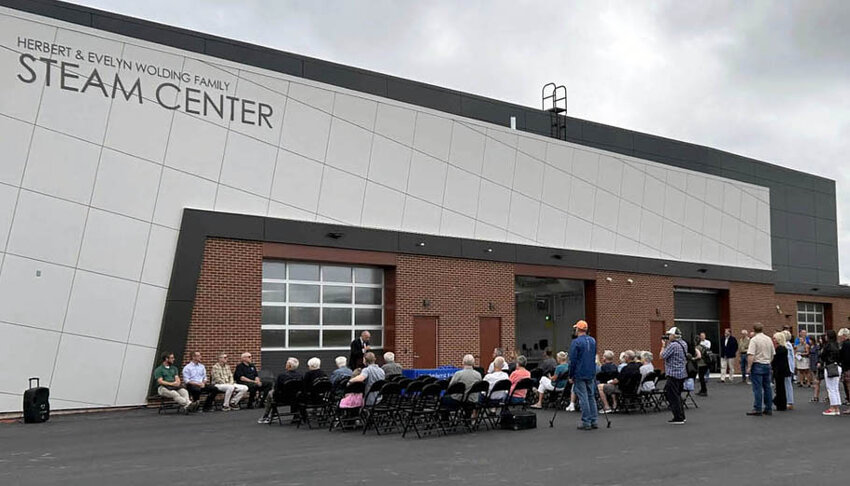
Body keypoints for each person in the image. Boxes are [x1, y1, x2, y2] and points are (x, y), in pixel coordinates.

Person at [569, 320, 599, 430]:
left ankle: (586, 421)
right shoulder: (592, 341)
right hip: (591, 372)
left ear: (578, 329)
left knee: (583, 397)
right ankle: (594, 420)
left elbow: (573, 360)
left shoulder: (576, 342)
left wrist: (571, 375)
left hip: (580, 372)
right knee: (591, 396)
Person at [258, 357, 302, 424]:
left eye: (286, 363)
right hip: (296, 398)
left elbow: (277, 388)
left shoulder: (282, 376)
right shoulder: (300, 376)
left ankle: (266, 415)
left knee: (270, 394)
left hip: (282, 398)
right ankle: (274, 414)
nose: (285, 364)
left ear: (289, 366)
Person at [746, 322, 775, 416]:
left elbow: (751, 354)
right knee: (767, 387)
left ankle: (757, 408)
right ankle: (768, 408)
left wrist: (749, 367)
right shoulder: (768, 339)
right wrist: (769, 361)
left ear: (754, 329)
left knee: (757, 388)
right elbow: (772, 353)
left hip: (757, 364)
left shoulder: (754, 340)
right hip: (767, 364)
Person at [660, 327, 687, 424]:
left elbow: (662, 356)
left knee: (672, 396)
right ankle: (681, 415)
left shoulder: (673, 345)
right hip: (682, 373)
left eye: (669, 335)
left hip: (673, 374)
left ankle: (678, 417)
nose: (668, 336)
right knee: (678, 395)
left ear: (674, 335)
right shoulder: (683, 343)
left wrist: (663, 346)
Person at [820, 329, 842, 416]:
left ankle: (833, 407)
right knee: (835, 388)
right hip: (838, 366)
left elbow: (822, 355)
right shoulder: (838, 345)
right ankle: (836, 407)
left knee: (831, 388)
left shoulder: (828, 345)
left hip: (830, 366)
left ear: (828, 336)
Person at [771, 332, 791, 411]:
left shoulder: (780, 349)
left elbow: (775, 360)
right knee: (780, 387)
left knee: (780, 388)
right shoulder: (782, 348)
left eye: (774, 338)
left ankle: (780, 403)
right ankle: (780, 402)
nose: (773, 340)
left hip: (780, 370)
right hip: (780, 370)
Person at [838, 328, 850, 406]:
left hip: (847, 367)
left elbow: (846, 357)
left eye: (841, 336)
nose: (840, 338)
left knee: (848, 385)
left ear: (844, 336)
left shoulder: (845, 344)